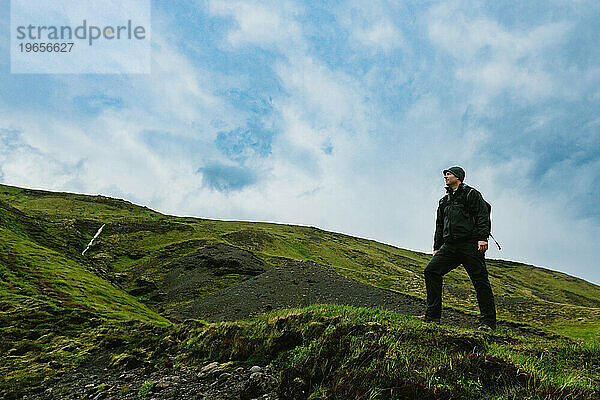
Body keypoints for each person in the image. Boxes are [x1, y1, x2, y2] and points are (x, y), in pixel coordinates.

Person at [418, 166, 496, 331]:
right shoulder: (444, 201)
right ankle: (432, 316)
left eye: (449, 173)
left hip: (470, 244)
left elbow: (483, 214)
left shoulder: (471, 194)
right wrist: (437, 247)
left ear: (458, 177)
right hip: (449, 246)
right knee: (431, 271)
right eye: (445, 174)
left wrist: (483, 238)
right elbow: (439, 225)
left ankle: (488, 322)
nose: (445, 176)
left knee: (480, 281)